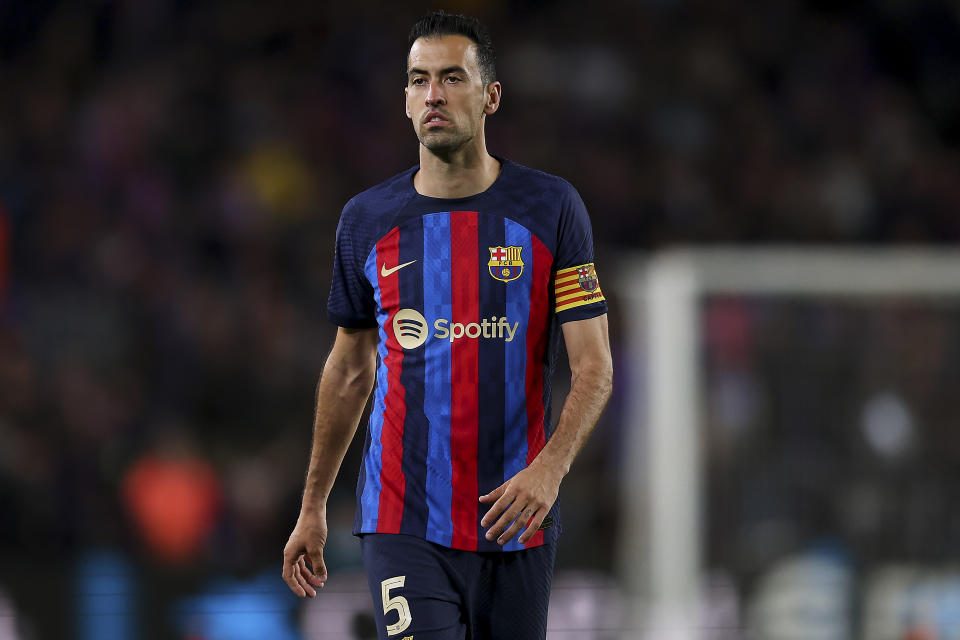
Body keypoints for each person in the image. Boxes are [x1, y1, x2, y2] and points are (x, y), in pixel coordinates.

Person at [282, 10, 613, 639]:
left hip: (517, 518)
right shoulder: (365, 220)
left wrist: (549, 470)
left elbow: (593, 366)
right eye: (418, 80)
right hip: (402, 519)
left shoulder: (551, 208)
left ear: (490, 96)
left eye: (452, 77)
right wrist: (314, 504)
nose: (433, 94)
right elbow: (350, 370)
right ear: (405, 100)